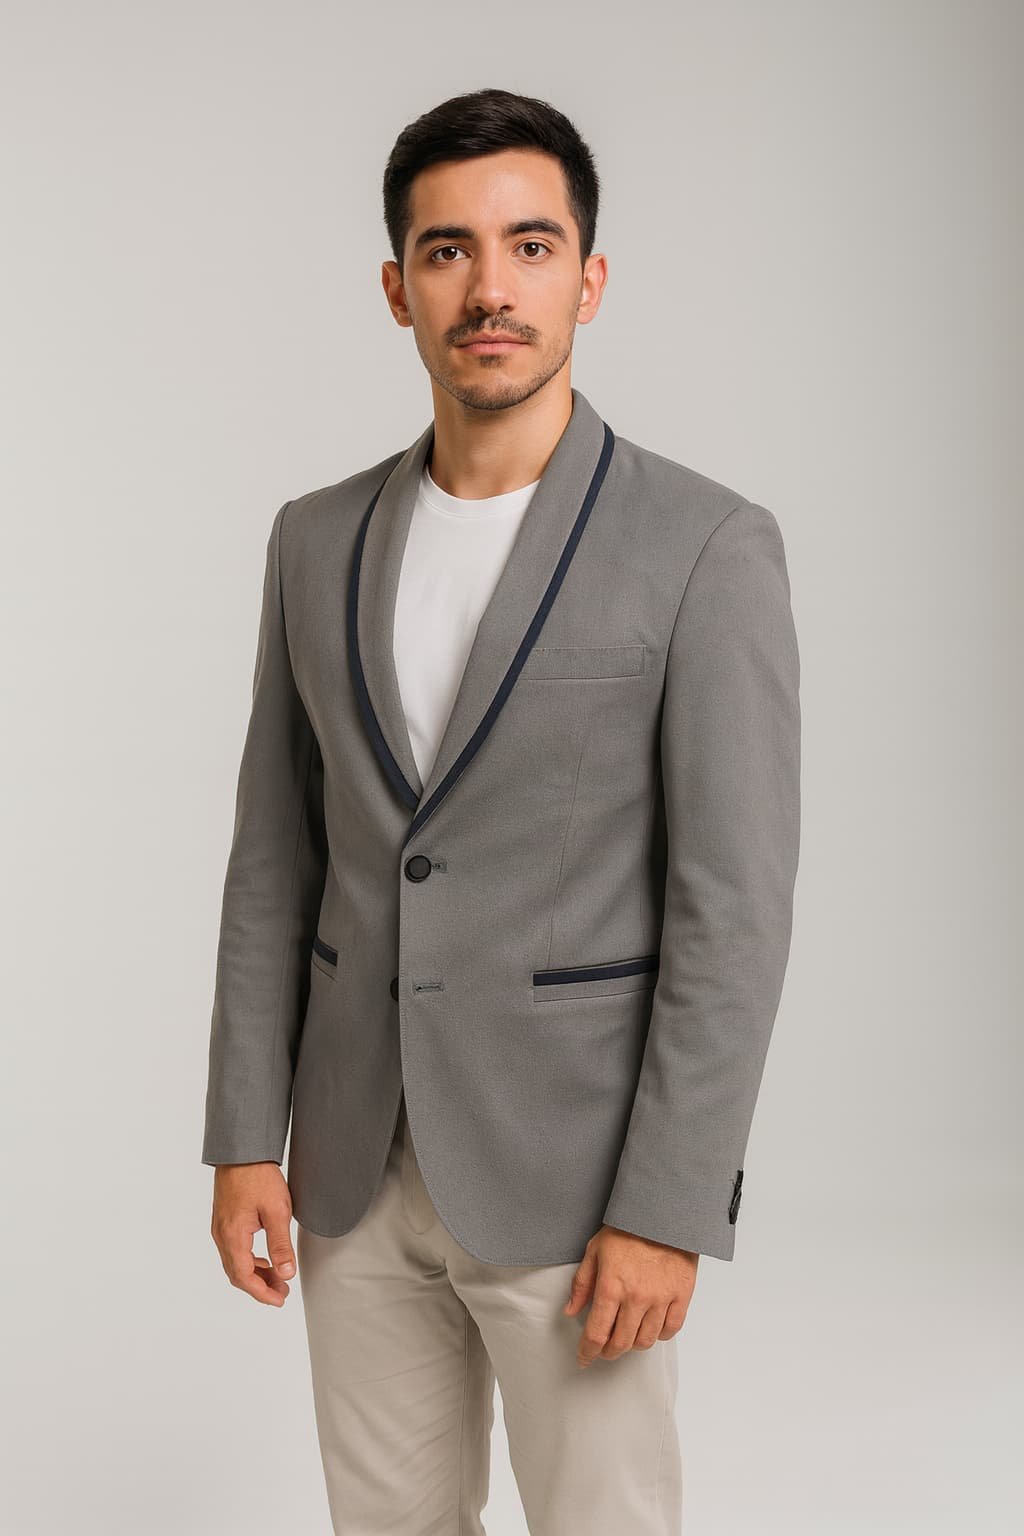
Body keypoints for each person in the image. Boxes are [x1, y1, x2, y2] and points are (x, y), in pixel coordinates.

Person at [202, 86, 801, 1536]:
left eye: (531, 246)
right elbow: (274, 858)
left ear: (588, 280)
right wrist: (243, 1135)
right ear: (396, 286)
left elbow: (733, 907)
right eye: (448, 250)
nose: (490, 288)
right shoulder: (314, 540)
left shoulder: (705, 544)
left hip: (578, 1181)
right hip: (352, 1162)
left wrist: (668, 1203)